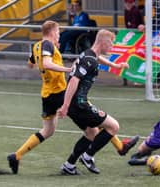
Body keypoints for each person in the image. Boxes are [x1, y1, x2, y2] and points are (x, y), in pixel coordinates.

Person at [58, 29, 138, 175]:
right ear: (102, 42)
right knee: (113, 126)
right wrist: (65, 105)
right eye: (111, 43)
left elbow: (98, 59)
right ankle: (88, 156)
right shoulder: (89, 60)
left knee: (91, 132)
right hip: (79, 104)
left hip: (76, 104)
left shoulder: (89, 54)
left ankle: (69, 165)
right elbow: (74, 80)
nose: (112, 47)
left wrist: (115, 66)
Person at [7, 20, 72, 174]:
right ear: (51, 32)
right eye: (57, 32)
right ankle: (119, 146)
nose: (59, 35)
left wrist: (50, 57)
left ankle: (16, 155)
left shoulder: (37, 46)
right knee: (91, 116)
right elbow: (47, 64)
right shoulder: (47, 45)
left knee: (48, 130)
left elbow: (30, 64)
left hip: (47, 94)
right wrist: (67, 68)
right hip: (59, 92)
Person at [123, 0, 144, 86]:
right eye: (127, 2)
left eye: (130, 3)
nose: (128, 4)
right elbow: (128, 25)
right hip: (132, 37)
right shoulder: (126, 11)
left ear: (133, 3)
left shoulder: (135, 11)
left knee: (137, 58)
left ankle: (137, 78)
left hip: (138, 38)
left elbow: (135, 26)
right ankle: (126, 78)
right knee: (127, 57)